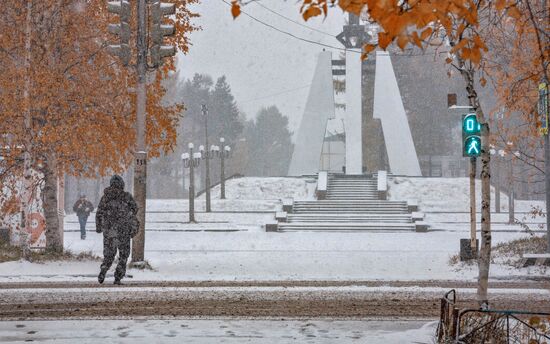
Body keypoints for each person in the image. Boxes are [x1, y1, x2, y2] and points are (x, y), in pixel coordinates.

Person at [95, 175, 139, 285]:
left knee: (109, 254)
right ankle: (118, 277)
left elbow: (99, 212)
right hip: (124, 229)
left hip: (109, 230)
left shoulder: (106, 197)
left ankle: (104, 268)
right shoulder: (126, 196)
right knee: (123, 255)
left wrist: (99, 227)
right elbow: (135, 209)